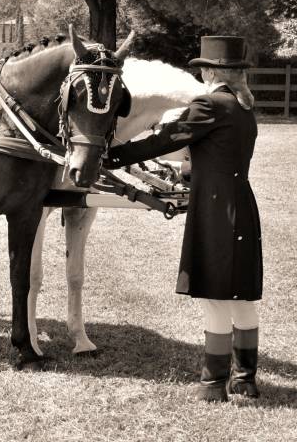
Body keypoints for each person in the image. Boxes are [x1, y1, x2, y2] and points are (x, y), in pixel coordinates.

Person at [104, 35, 262, 402]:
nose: (202, 73)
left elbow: (166, 138)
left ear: (211, 71)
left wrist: (113, 156)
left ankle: (212, 384)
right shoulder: (242, 106)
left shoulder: (210, 104)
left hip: (216, 209)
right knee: (241, 298)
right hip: (240, 203)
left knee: (215, 296)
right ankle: (245, 380)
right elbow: (215, 154)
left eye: (204, 67)